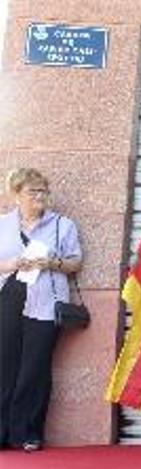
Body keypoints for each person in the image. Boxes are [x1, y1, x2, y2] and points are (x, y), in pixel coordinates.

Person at [0, 168, 83, 452]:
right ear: (17, 195)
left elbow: (75, 262)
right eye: (32, 191)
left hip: (45, 300)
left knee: (35, 367)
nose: (39, 196)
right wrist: (12, 264)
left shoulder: (62, 225)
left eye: (43, 191)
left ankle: (27, 433)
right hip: (8, 296)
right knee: (4, 364)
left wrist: (51, 263)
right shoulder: (3, 225)